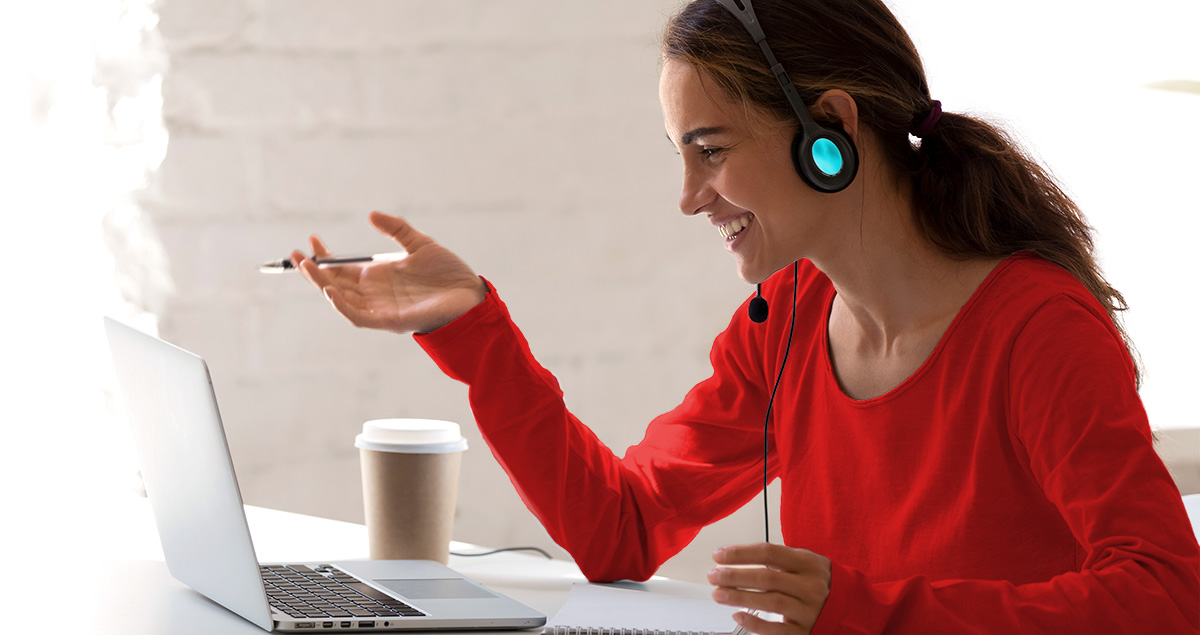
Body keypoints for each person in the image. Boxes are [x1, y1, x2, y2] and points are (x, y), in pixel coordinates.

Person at [291, 0, 1200, 632]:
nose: (691, 198)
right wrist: (474, 330)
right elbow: (622, 528)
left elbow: (1166, 598)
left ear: (828, 130)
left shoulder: (1037, 329)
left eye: (711, 151)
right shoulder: (791, 316)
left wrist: (862, 611)